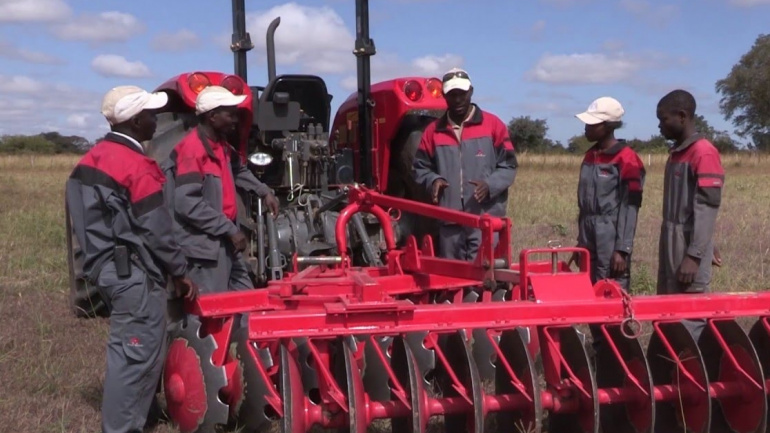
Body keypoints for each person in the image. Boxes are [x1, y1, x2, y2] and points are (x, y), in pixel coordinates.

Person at [65, 85, 198, 433]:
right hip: (134, 276)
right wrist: (181, 272)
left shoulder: (86, 163)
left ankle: (143, 415)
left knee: (130, 352)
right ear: (137, 121)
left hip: (105, 272)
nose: (156, 121)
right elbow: (157, 229)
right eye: (152, 115)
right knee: (135, 355)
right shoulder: (136, 167)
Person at [168, 85, 280, 294]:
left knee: (245, 299)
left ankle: (241, 328)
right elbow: (187, 203)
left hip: (225, 240)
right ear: (212, 116)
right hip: (206, 247)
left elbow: (239, 170)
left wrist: (264, 191)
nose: (235, 120)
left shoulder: (222, 147)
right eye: (230, 114)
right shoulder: (193, 151)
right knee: (212, 308)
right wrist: (228, 229)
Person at [412, 67, 518, 261]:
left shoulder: (493, 125)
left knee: (485, 279)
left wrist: (490, 185)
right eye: (452, 95)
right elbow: (420, 167)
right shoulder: (432, 132)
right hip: (449, 222)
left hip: (485, 220)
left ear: (471, 91)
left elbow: (508, 166)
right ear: (444, 96)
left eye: (462, 94)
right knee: (453, 280)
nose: (458, 100)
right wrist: (433, 180)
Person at [569, 97, 645, 355]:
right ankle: (600, 349)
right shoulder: (590, 156)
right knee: (591, 292)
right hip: (589, 233)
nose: (586, 129)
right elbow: (584, 207)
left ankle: (622, 353)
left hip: (611, 233)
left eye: (592, 124)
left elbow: (630, 206)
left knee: (613, 291)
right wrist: (581, 241)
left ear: (609, 126)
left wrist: (622, 248)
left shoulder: (627, 159)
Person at [656, 89, 725, 339]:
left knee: (690, 313)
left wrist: (696, 254)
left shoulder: (703, 153)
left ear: (682, 116)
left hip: (687, 249)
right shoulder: (677, 153)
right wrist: (708, 242)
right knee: (667, 310)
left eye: (663, 119)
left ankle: (693, 372)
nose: (660, 126)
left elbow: (707, 207)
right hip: (671, 241)